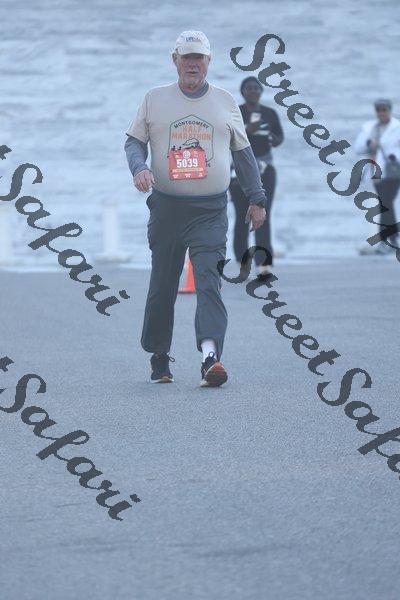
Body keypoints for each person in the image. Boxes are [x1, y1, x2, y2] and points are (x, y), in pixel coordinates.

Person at [124, 31, 268, 387]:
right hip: (167, 210)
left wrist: (257, 198)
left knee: (209, 282)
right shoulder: (154, 99)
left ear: (208, 61)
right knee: (163, 285)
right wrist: (139, 168)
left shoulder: (225, 101)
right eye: (186, 57)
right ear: (175, 60)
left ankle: (210, 357)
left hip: (210, 211)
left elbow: (243, 153)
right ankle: (159, 355)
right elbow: (134, 142)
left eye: (198, 57)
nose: (192, 64)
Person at [229, 76, 284, 275]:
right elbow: (227, 137)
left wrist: (272, 138)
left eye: (256, 88)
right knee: (242, 216)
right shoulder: (236, 113)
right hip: (239, 171)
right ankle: (242, 261)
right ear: (242, 92)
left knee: (263, 215)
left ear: (261, 91)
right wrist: (247, 130)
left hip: (265, 169)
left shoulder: (269, 113)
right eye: (249, 88)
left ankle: (264, 264)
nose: (253, 91)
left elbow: (279, 138)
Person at [354, 98, 400, 254]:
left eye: (384, 110)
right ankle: (392, 239)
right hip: (376, 172)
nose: (382, 113)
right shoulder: (369, 128)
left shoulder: (397, 127)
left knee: (386, 203)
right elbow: (358, 148)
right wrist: (369, 143)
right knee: (386, 204)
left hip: (394, 172)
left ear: (389, 111)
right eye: (379, 110)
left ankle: (387, 240)